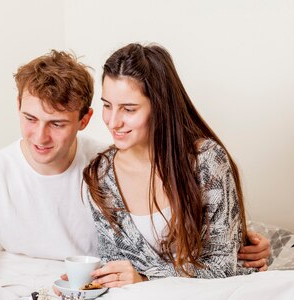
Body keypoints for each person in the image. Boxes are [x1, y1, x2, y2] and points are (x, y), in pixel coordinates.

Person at [0, 50, 270, 300]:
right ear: (17, 106)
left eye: (56, 123)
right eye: (30, 119)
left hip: (154, 295)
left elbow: (186, 253)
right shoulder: (92, 173)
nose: (40, 136)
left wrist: (243, 238)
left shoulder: (113, 161)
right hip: (106, 297)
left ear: (82, 120)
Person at [84, 43, 260, 287]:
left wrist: (145, 278)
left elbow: (222, 268)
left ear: (159, 106)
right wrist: (88, 282)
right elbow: (115, 265)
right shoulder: (101, 175)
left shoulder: (207, 161)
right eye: (107, 105)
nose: (113, 121)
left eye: (128, 109)